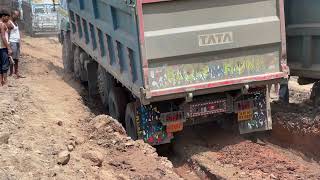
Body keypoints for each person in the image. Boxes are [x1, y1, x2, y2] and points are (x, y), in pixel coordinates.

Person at [8, 10, 22, 78]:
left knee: (16, 58)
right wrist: (8, 45)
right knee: (12, 58)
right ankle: (11, 73)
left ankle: (16, 72)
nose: (18, 16)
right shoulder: (10, 23)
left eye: (18, 15)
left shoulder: (15, 23)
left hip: (17, 42)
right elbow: (7, 34)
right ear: (12, 15)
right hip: (12, 42)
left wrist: (19, 41)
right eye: (16, 15)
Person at [0, 9, 12, 86]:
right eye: (7, 17)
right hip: (3, 48)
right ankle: (5, 81)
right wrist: (8, 48)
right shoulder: (2, 24)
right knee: (5, 65)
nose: (8, 19)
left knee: (0, 65)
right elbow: (3, 37)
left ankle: (1, 82)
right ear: (3, 16)